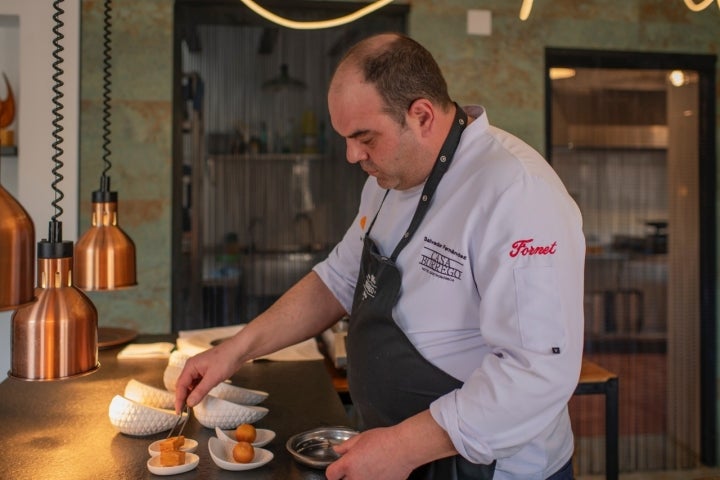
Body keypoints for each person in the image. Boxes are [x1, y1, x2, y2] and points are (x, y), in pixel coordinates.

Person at [174, 33, 585, 480]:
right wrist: (234, 352)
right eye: (347, 139)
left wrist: (403, 446)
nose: (353, 155)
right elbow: (339, 279)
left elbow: (537, 370)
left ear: (421, 115)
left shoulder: (517, 193)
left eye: (365, 137)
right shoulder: (386, 179)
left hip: (493, 468)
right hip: (400, 453)